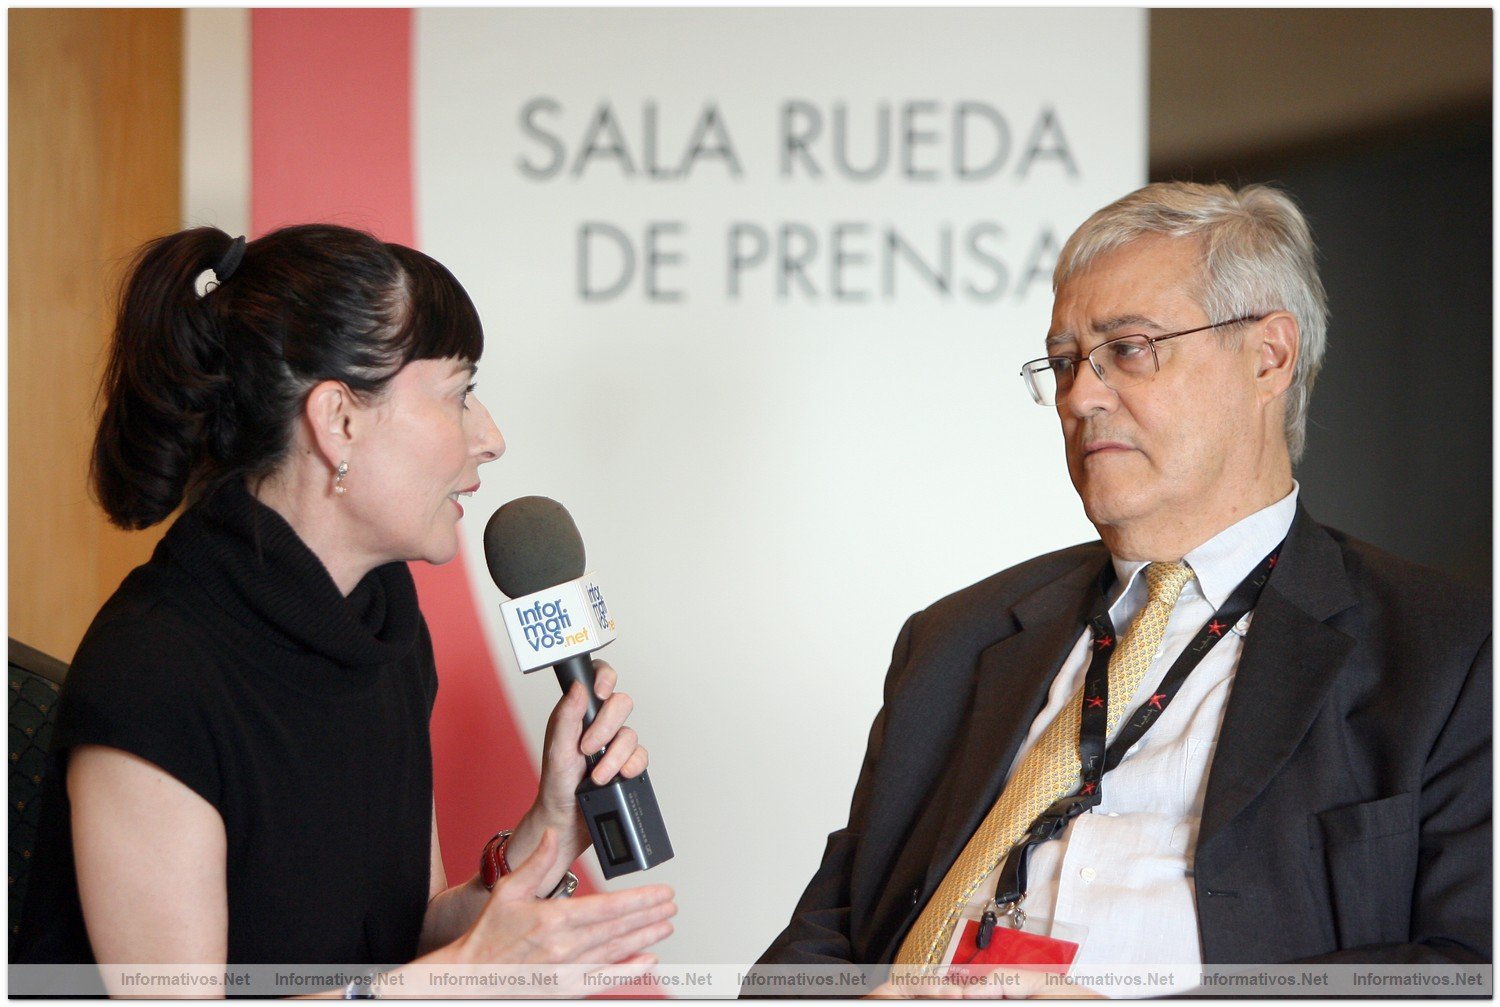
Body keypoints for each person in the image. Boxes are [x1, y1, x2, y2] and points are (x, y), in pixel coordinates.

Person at [752, 182, 1490, 994]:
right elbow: (816, 949)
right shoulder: (954, 641)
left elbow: (1468, 970)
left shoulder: (1447, 651)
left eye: (1128, 349)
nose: (1080, 396)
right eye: (1065, 362)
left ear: (1269, 356)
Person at [16, 225, 677, 992]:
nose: (490, 437)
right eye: (459, 394)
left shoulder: (379, 618)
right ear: (339, 421)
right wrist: (460, 978)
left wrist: (549, 837)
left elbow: (407, 931)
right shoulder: (156, 670)